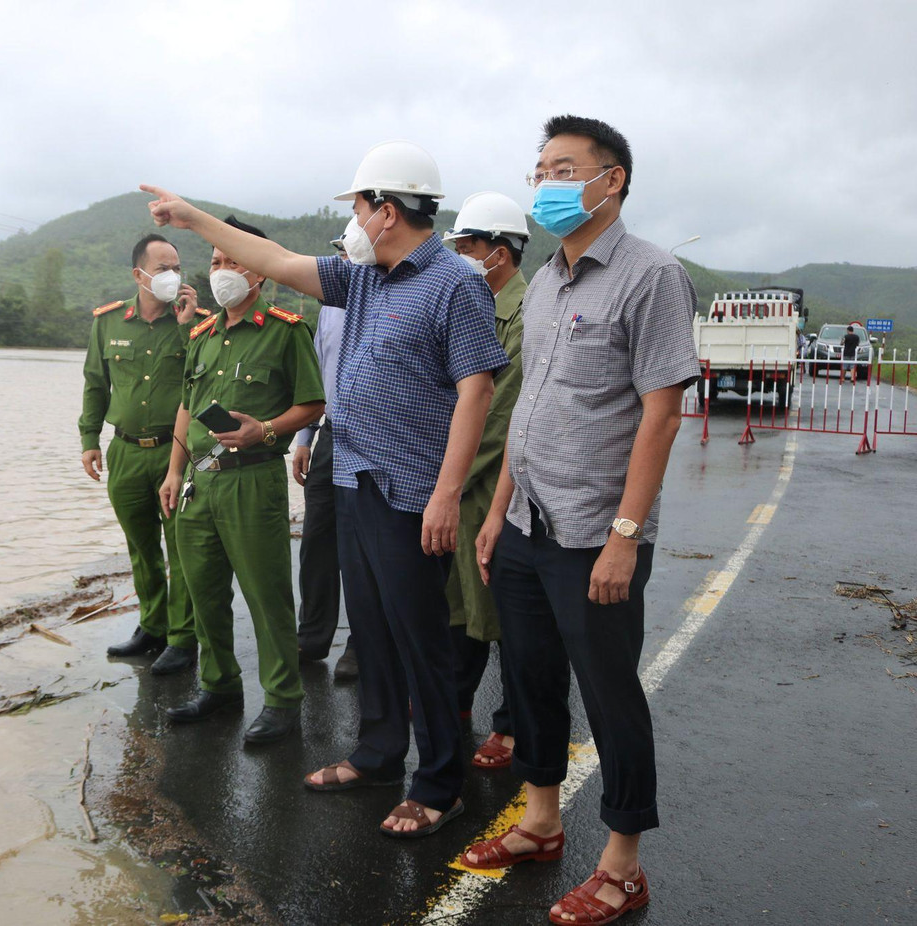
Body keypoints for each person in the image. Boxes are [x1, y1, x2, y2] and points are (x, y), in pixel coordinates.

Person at [144, 137, 506, 837]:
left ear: (389, 209)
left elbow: (477, 391)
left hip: (412, 493)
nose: (357, 219)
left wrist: (445, 495)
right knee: (369, 628)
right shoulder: (361, 277)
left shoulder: (455, 283)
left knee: (419, 637)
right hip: (354, 478)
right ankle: (375, 754)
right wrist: (192, 218)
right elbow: (274, 261)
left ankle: (438, 783)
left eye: (362, 205)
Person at [462, 115, 700, 926]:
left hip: (596, 534)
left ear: (613, 180)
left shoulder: (651, 276)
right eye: (539, 170)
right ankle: (538, 821)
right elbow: (527, 406)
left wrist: (625, 539)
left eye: (565, 168)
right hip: (526, 524)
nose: (547, 184)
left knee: (608, 695)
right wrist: (497, 512)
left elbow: (661, 415)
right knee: (528, 681)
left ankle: (624, 864)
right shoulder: (549, 285)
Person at [158, 216, 325, 745]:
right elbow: (187, 404)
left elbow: (314, 402)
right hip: (200, 483)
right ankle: (219, 685)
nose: (222, 271)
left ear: (261, 273)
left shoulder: (286, 330)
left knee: (266, 594)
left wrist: (266, 430)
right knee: (203, 589)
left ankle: (281, 701)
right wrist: (173, 470)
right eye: (215, 262)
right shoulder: (202, 335)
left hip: (252, 482)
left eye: (233, 261)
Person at [79, 234, 202, 676]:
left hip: (177, 452)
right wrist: (89, 439)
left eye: (176, 267)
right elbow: (96, 383)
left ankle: (184, 639)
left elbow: (203, 379)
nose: (172, 275)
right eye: (163, 267)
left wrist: (187, 327)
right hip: (126, 450)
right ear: (139, 274)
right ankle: (153, 626)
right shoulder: (108, 322)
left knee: (182, 546)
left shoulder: (198, 322)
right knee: (141, 547)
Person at [441, 191, 529, 770]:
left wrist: (443, 480)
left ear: (498, 252)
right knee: (462, 605)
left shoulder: (522, 315)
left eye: (468, 246)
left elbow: (499, 417)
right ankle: (459, 701)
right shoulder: (469, 305)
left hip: (497, 487)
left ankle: (515, 724)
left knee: (507, 617)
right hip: (459, 483)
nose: (461, 257)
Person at [292, 237, 357, 681]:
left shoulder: (391, 295)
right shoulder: (330, 305)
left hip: (376, 436)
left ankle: (362, 642)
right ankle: (312, 635)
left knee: (360, 545)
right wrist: (303, 437)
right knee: (317, 540)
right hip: (331, 435)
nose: (341, 259)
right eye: (340, 251)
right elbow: (318, 370)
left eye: (349, 250)